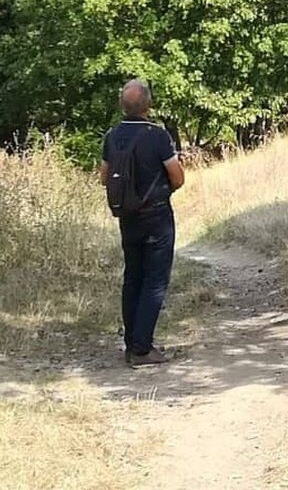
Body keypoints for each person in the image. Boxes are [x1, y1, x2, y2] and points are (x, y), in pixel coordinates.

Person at [99, 78, 185, 365]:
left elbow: (103, 177)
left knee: (133, 277)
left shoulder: (112, 136)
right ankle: (142, 348)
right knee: (155, 280)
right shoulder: (158, 136)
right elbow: (177, 176)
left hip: (127, 217)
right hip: (157, 215)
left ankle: (131, 343)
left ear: (123, 106)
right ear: (147, 103)